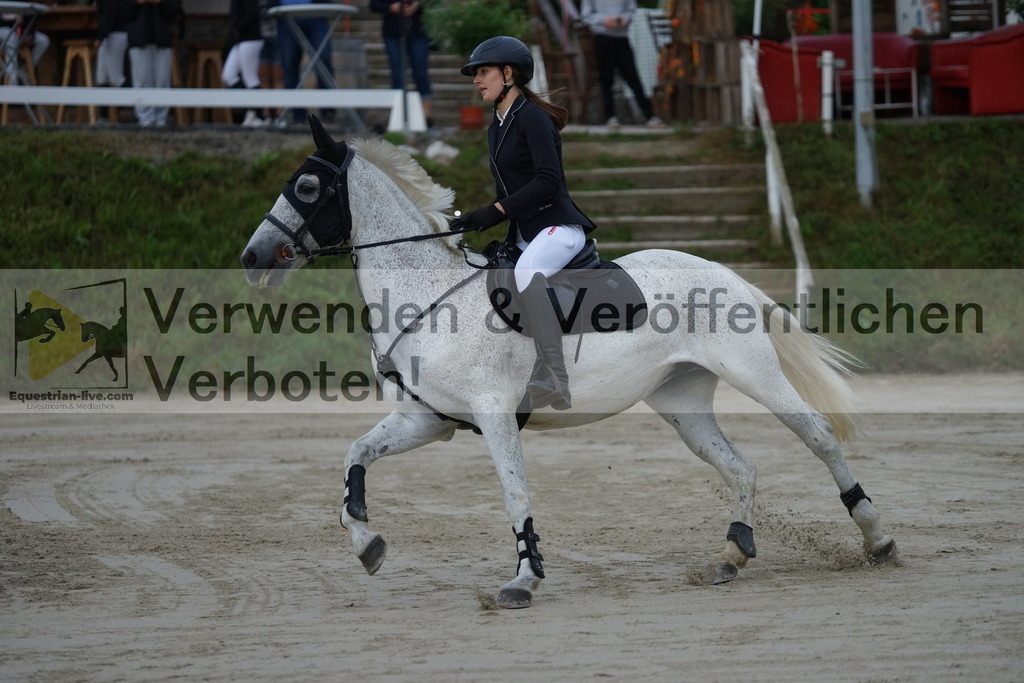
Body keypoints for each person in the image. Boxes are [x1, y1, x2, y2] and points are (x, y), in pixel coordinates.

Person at [456, 36, 596, 411]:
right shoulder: (496, 127)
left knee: (526, 271)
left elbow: (548, 180)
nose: (476, 80)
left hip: (559, 227)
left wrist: (496, 210)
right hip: (526, 232)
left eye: (482, 72)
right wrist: (476, 219)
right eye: (475, 74)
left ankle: (555, 375)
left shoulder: (532, 118)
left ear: (507, 73)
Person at [581, 0, 665, 129]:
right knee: (606, 78)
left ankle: (650, 116)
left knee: (633, 77)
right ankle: (610, 117)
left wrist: (624, 18)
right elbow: (586, 14)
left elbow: (632, 10)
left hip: (622, 37)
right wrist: (603, 20)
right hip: (602, 36)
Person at [369, 0, 434, 128]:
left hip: (417, 30)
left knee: (420, 73)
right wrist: (392, 7)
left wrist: (417, 5)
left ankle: (427, 118)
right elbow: (374, 4)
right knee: (397, 75)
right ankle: (397, 115)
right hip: (392, 31)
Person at [124, 0, 183, 128]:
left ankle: (161, 118)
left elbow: (175, 12)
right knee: (142, 79)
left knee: (162, 80)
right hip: (138, 36)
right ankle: (145, 119)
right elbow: (124, 12)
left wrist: (160, 2)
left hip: (162, 38)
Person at [276, 0, 334, 124]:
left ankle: (328, 110)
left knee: (324, 59)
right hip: (285, 16)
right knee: (289, 64)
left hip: (316, 14)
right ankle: (298, 114)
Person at [221, 0, 266, 126]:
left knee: (250, 76)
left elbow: (252, 12)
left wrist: (237, 27)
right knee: (228, 75)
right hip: (240, 39)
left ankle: (258, 115)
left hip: (250, 38)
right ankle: (250, 109)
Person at [0, 12, 50, 83]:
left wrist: (30, 34)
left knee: (43, 40)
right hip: (4, 30)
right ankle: (12, 77)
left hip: (21, 31)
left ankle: (24, 71)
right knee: (11, 36)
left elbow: (30, 17)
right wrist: (14, 21)